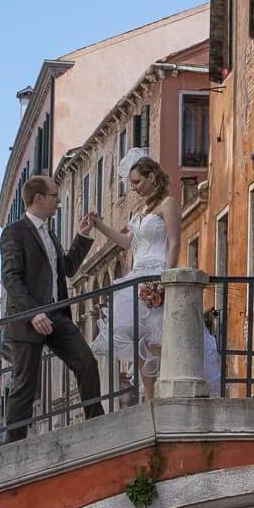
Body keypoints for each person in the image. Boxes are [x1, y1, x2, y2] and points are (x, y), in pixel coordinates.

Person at [0, 173, 104, 442]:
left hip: (57, 315)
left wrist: (82, 235)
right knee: (25, 386)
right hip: (27, 319)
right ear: (39, 198)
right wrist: (34, 313)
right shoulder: (14, 233)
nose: (58, 202)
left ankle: (98, 424)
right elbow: (11, 278)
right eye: (55, 196)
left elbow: (67, 269)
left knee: (87, 363)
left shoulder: (50, 233)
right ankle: (13, 447)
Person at [86, 150, 180, 395]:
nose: (134, 188)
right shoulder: (141, 212)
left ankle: (165, 394)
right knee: (139, 337)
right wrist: (99, 225)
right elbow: (126, 242)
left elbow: (174, 242)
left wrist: (166, 279)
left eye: (137, 182)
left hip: (157, 272)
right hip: (137, 276)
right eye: (131, 184)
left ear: (152, 177)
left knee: (157, 337)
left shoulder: (167, 204)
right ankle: (149, 399)